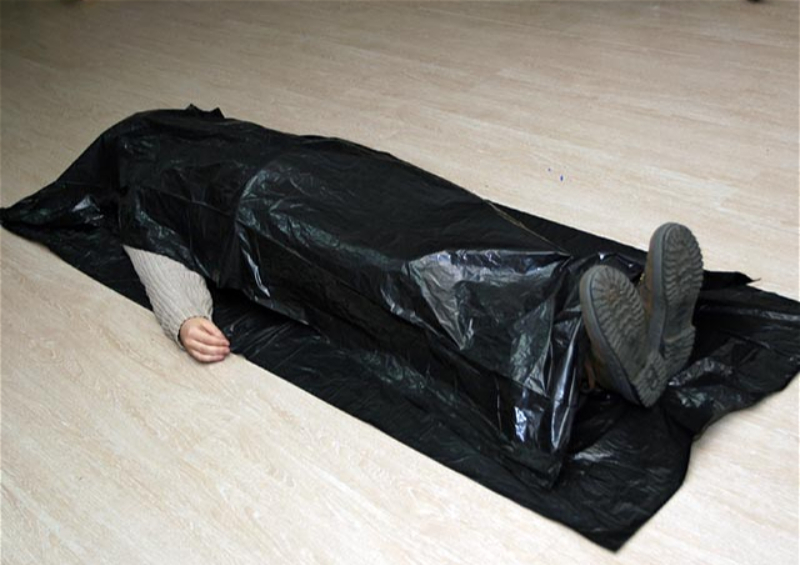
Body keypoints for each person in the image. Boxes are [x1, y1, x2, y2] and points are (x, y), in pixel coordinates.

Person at [124, 221, 703, 409]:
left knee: (458, 237)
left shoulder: (222, 135)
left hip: (327, 186)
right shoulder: (153, 170)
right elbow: (148, 227)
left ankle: (612, 323)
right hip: (277, 219)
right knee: (414, 271)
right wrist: (184, 315)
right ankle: (593, 351)